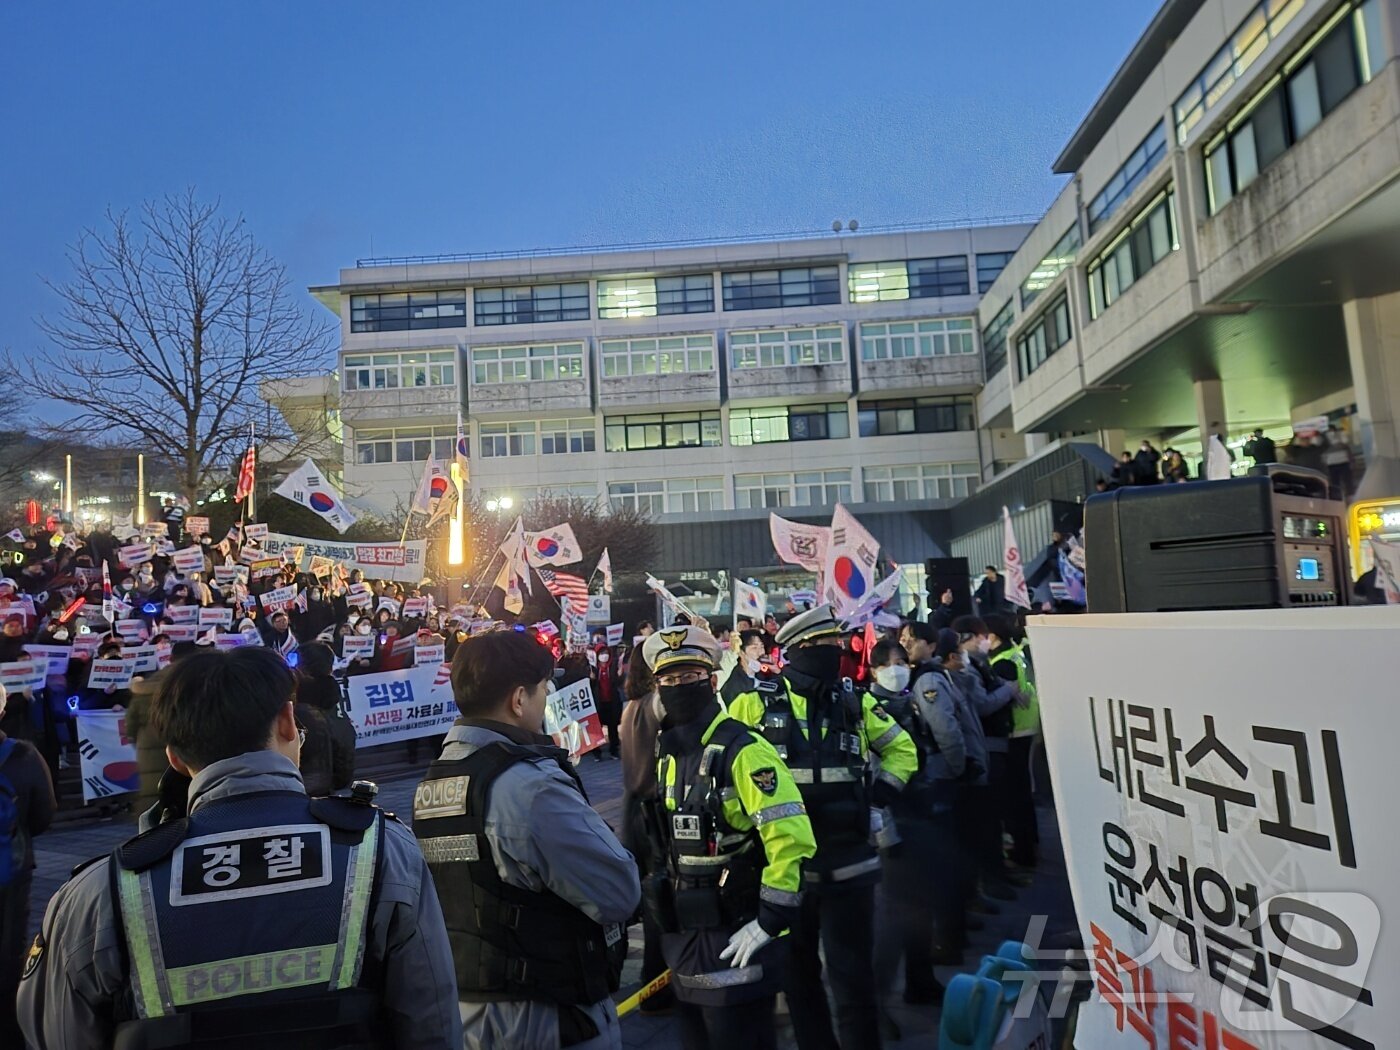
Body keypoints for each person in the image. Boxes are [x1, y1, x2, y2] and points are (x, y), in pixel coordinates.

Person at [19, 645, 462, 1050]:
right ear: (287, 721)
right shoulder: (382, 852)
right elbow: (433, 1024)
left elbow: (56, 1033)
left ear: (174, 757)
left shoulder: (98, 895)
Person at [416, 630, 640, 1050]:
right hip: (545, 1015)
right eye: (543, 689)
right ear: (519, 700)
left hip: (469, 1010)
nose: (547, 698)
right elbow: (618, 891)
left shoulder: (437, 780)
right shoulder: (531, 786)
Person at [728, 605, 917, 1050]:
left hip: (850, 865)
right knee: (798, 980)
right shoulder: (753, 703)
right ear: (798, 651)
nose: (835, 652)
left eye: (836, 643)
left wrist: (878, 799)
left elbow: (903, 750)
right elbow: (725, 770)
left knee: (854, 981)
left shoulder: (856, 701)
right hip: (787, 874)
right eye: (824, 645)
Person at [639, 626, 816, 1050]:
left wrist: (770, 919)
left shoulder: (745, 749)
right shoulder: (669, 752)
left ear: (712, 681)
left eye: (689, 677)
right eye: (669, 680)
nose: (678, 687)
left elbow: (790, 838)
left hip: (738, 934)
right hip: (685, 939)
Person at [868, 635, 963, 1038]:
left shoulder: (907, 703)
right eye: (887, 663)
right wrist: (886, 835)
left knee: (920, 909)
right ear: (873, 670)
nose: (896, 670)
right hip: (892, 829)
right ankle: (876, 1006)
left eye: (901, 662)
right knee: (890, 923)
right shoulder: (868, 710)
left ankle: (920, 981)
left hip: (920, 814)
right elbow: (874, 780)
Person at [617, 643, 673, 1015]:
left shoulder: (629, 708)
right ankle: (658, 986)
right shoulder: (657, 704)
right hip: (657, 812)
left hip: (633, 812)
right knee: (663, 902)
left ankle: (654, 985)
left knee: (652, 899)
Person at [0, 681, 56, 1048]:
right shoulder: (23, 755)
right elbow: (44, 813)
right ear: (3, 711)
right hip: (11, 869)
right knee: (9, 955)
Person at [294, 641, 356, 796]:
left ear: (303, 669)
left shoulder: (301, 705)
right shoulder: (333, 694)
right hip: (330, 781)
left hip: (306, 785)